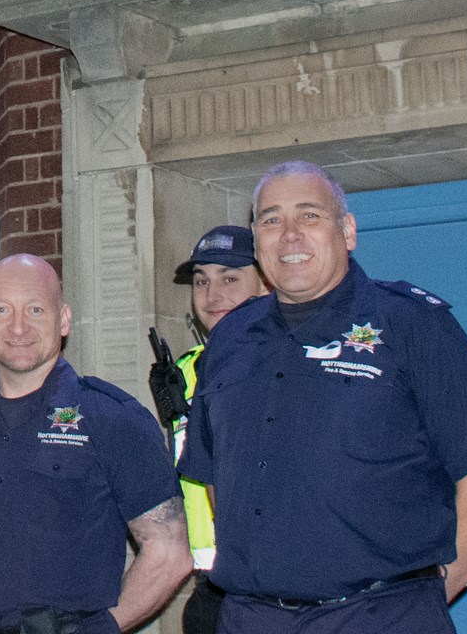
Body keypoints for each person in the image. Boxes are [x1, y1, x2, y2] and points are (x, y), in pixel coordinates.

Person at [176, 162, 467, 634]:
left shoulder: (413, 326)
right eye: (271, 220)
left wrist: (421, 601)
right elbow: (218, 482)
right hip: (250, 618)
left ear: (347, 230)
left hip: (381, 617)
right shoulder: (229, 342)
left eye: (309, 216)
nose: (289, 235)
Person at [0, 255, 190, 634]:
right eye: (1, 310)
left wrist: (100, 629)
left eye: (35, 310)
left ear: (63, 319)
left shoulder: (112, 418)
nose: (17, 326)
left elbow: (170, 551)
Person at [146, 226, 271, 634]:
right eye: (202, 281)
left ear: (268, 284)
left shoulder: (289, 363)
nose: (212, 296)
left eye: (230, 279)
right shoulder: (185, 370)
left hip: (275, 588)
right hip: (211, 587)